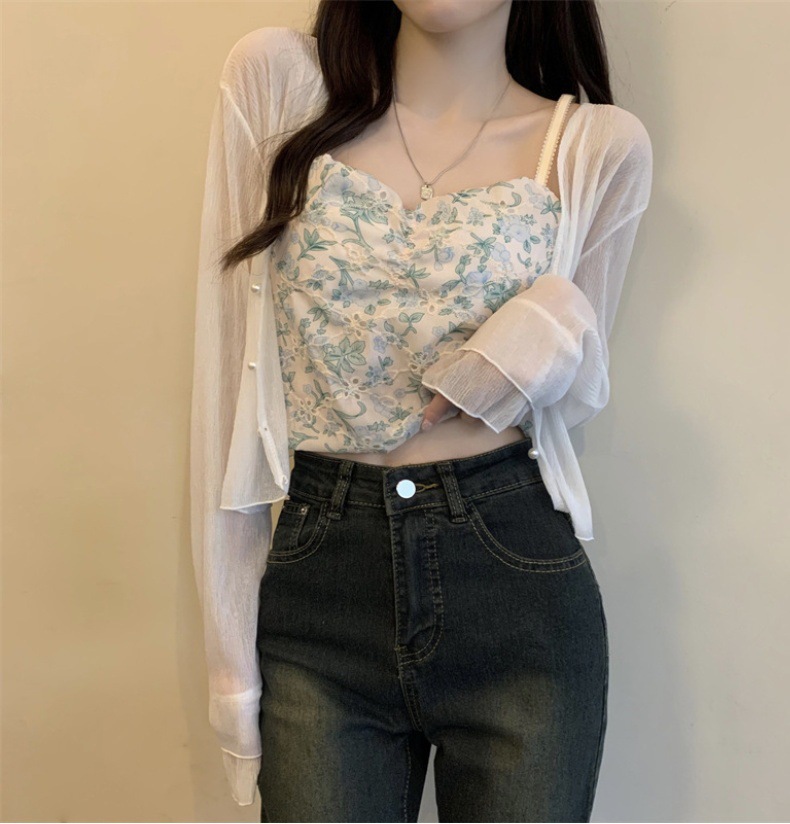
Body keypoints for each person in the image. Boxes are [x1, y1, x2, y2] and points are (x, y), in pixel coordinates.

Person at [189, 1, 654, 820]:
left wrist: (549, 321)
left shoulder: (596, 147)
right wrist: (231, 666)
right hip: (320, 587)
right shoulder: (277, 85)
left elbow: (580, 385)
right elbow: (225, 377)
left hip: (515, 585)